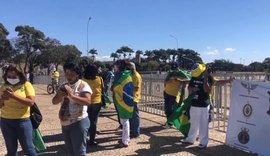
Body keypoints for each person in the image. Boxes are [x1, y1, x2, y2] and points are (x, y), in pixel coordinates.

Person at [52, 62, 92, 156]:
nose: (69, 76)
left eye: (72, 73)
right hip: (65, 123)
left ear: (77, 73)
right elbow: (54, 101)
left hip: (78, 122)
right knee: (70, 151)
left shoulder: (83, 85)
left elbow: (87, 101)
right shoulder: (63, 85)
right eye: (67, 73)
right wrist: (59, 95)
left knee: (79, 152)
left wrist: (71, 96)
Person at [0, 65, 37, 156]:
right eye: (9, 77)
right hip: (5, 121)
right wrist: (3, 99)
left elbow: (31, 102)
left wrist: (13, 96)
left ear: (20, 75)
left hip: (22, 121)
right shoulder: (3, 86)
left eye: (14, 77)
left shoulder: (26, 85)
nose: (11, 79)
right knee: (11, 150)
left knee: (28, 148)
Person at [181, 63, 213, 149]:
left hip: (203, 104)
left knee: (203, 124)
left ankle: (203, 142)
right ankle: (190, 139)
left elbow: (207, 90)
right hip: (194, 103)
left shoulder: (209, 77)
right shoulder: (194, 77)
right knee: (193, 123)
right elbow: (189, 87)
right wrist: (192, 89)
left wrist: (205, 78)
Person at [111, 60, 134, 148]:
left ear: (120, 66)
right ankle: (125, 138)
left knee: (124, 121)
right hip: (122, 101)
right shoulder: (125, 74)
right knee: (124, 121)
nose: (115, 68)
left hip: (123, 102)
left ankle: (125, 141)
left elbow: (116, 87)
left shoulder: (122, 75)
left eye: (116, 66)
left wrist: (113, 87)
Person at [163, 62, 190, 128]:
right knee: (167, 109)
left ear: (177, 67)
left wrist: (179, 80)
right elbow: (165, 81)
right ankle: (169, 121)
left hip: (174, 94)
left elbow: (188, 79)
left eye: (175, 68)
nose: (174, 70)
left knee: (171, 109)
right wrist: (169, 81)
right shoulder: (170, 73)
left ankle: (171, 123)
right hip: (166, 92)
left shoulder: (181, 73)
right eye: (173, 68)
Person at [82, 64, 103, 146]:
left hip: (86, 101)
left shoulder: (83, 80)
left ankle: (84, 137)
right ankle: (92, 140)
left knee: (85, 120)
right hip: (96, 102)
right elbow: (102, 89)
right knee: (93, 121)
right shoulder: (99, 79)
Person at [129, 62, 142, 138]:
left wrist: (126, 88)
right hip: (130, 97)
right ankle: (132, 130)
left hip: (134, 97)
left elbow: (136, 87)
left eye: (130, 68)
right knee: (131, 116)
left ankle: (136, 132)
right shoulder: (131, 75)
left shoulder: (136, 76)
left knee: (134, 116)